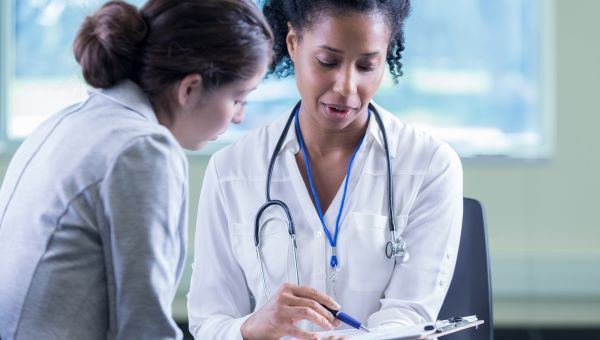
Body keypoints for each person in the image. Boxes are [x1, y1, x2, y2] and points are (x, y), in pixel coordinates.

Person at [187, 0, 463, 339]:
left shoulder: (430, 166)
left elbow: (409, 313)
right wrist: (250, 328)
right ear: (293, 43)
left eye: (366, 66)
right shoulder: (232, 170)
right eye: (327, 61)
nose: (346, 86)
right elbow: (209, 321)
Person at [0, 0, 273, 339]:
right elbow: (144, 329)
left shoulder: (71, 119)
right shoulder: (143, 150)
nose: (238, 117)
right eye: (238, 98)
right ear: (190, 89)